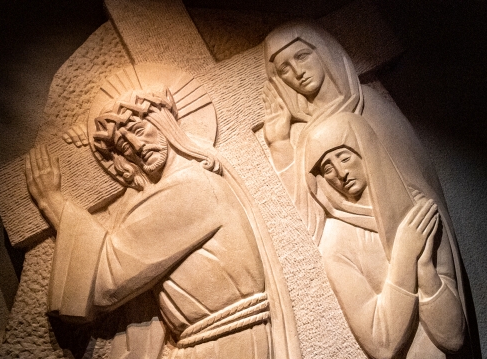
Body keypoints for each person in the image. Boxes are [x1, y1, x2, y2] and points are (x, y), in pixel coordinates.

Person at [25, 89, 301, 359]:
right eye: (123, 146)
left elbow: (105, 280)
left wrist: (53, 204)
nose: (136, 147)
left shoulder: (188, 188)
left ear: (164, 123)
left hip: (222, 345)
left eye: (139, 129)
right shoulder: (184, 184)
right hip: (212, 342)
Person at [262, 22, 480, 357]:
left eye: (302, 56)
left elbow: (419, 188)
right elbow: (308, 230)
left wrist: (420, 257)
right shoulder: (338, 240)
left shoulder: (373, 109)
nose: (297, 73)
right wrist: (279, 145)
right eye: (283, 70)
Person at [304, 112, 468, 358]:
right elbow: (382, 344)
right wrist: (404, 256)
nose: (340, 173)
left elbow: (455, 337)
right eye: (327, 168)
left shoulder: (417, 208)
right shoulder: (336, 242)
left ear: (365, 149)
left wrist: (424, 269)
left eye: (344, 157)